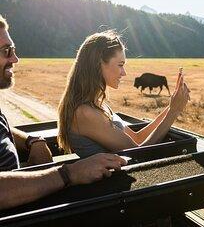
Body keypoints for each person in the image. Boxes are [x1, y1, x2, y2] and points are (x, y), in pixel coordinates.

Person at [0, 14, 127, 210]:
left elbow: (2, 128)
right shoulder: (84, 111)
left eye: (13, 50)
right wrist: (69, 174)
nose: (15, 58)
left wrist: (31, 140)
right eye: (6, 51)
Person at [57, 31, 190, 157]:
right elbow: (139, 153)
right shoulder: (85, 112)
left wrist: (172, 107)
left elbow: (136, 139)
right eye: (120, 65)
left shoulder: (98, 104)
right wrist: (174, 111)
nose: (124, 73)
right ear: (98, 64)